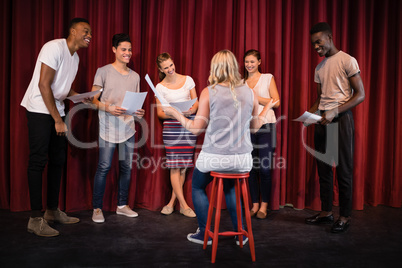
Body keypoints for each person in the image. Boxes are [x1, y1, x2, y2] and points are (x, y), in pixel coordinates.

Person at [163, 50, 278, 245]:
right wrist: (266, 109)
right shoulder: (250, 92)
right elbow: (255, 127)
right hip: (242, 160)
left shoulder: (209, 91)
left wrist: (175, 114)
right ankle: (240, 235)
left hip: (215, 157)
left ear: (215, 68)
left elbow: (195, 129)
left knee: (197, 186)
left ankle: (204, 233)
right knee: (231, 188)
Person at [21, 18, 92, 237]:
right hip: (39, 109)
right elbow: (44, 84)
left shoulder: (76, 57)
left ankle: (52, 211)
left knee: (58, 160)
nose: (90, 35)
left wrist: (82, 99)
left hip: (56, 110)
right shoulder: (54, 47)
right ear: (72, 31)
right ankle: (35, 218)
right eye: (86, 31)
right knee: (38, 160)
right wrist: (58, 121)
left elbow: (63, 88)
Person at [305, 22, 365, 233]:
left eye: (319, 42)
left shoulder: (347, 60)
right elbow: (320, 98)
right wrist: (309, 115)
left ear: (329, 37)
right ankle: (326, 212)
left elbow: (360, 94)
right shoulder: (319, 67)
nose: (316, 47)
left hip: (341, 120)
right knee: (323, 169)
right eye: (313, 44)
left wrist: (334, 111)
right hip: (322, 121)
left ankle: (345, 216)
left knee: (343, 170)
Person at [90, 33, 145, 223]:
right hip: (107, 127)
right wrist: (109, 108)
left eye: (129, 50)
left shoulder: (135, 76)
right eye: (124, 49)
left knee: (126, 168)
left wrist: (139, 113)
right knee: (104, 166)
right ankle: (97, 208)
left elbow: (134, 104)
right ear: (114, 50)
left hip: (128, 128)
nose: (127, 53)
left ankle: (122, 205)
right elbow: (92, 100)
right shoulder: (103, 71)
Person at [155, 53, 199, 218]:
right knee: (174, 166)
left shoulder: (188, 80)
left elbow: (196, 103)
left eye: (171, 65)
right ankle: (185, 206)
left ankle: (172, 203)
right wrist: (175, 113)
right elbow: (160, 113)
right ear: (160, 69)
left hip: (188, 125)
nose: (170, 69)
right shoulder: (159, 87)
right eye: (166, 67)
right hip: (172, 127)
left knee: (183, 168)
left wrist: (191, 110)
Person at [243, 49, 280, 219]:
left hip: (266, 126)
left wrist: (256, 98)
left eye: (252, 61)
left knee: (264, 168)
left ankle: (264, 205)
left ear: (259, 62)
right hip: (247, 128)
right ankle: (255, 204)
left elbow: (277, 101)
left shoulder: (267, 78)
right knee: (251, 168)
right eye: (246, 62)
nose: (249, 65)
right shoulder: (241, 83)